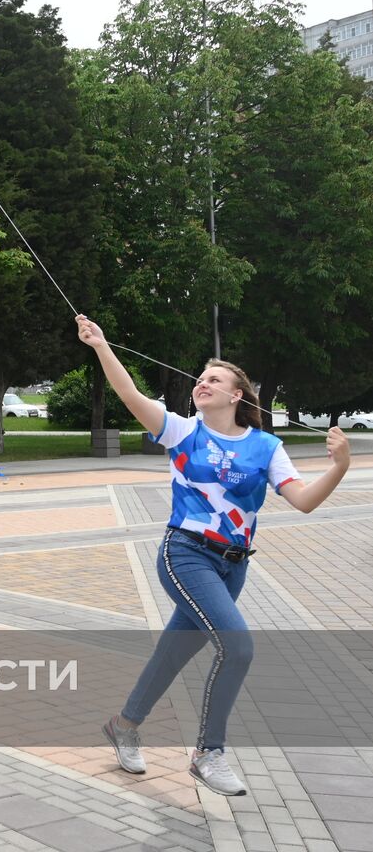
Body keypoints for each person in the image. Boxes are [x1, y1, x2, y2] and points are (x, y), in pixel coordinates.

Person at [78, 314, 349, 796]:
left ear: (236, 395)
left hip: (234, 565)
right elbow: (130, 396)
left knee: (173, 652)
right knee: (238, 645)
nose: (202, 383)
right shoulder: (183, 432)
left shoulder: (266, 446)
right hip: (185, 553)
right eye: (200, 379)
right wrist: (101, 346)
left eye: (214, 379)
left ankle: (123, 726)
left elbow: (304, 500)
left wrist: (341, 467)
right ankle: (210, 752)